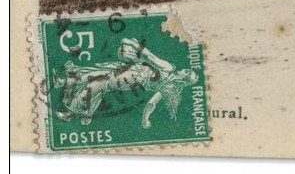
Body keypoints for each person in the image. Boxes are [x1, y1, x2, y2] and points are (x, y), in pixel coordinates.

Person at [53, 37, 198, 129]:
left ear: (184, 79)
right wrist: (145, 120)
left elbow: (150, 56)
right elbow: (151, 103)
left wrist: (133, 43)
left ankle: (72, 111)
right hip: (133, 72)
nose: (184, 70)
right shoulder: (170, 83)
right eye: (186, 70)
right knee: (100, 73)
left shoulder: (169, 71)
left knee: (101, 82)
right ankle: (63, 83)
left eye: (186, 72)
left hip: (133, 76)